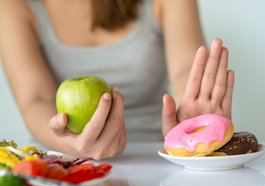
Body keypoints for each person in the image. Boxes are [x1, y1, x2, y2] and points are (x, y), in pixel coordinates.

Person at [0, 0, 234, 159]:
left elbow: (185, 69)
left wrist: (191, 116)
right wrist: (70, 145)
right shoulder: (13, 6)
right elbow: (36, 98)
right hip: (61, 167)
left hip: (153, 163)